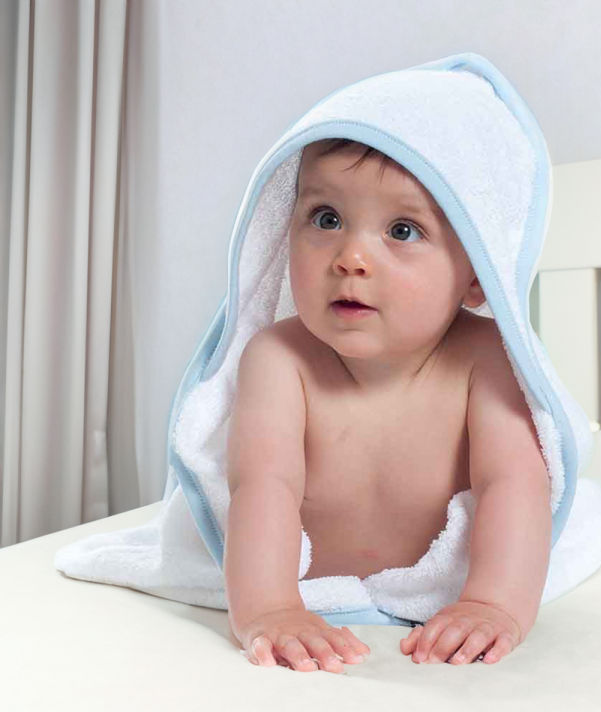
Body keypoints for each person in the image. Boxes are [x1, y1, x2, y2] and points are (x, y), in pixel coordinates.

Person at [223, 137, 552, 673]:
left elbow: (513, 484)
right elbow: (263, 485)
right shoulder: (279, 358)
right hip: (301, 586)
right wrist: (271, 609)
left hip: (451, 582)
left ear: (477, 273)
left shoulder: (487, 358)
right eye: (327, 219)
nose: (350, 259)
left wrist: (493, 603)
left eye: (402, 230)